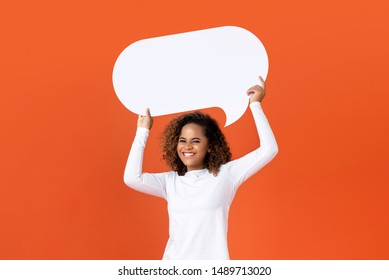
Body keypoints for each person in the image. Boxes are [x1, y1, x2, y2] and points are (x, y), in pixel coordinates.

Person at [124, 77, 278, 259]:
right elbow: (132, 178)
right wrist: (142, 131)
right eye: (182, 141)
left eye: (195, 141)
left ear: (210, 145)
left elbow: (269, 149)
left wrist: (255, 105)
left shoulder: (226, 175)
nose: (187, 147)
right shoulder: (170, 182)